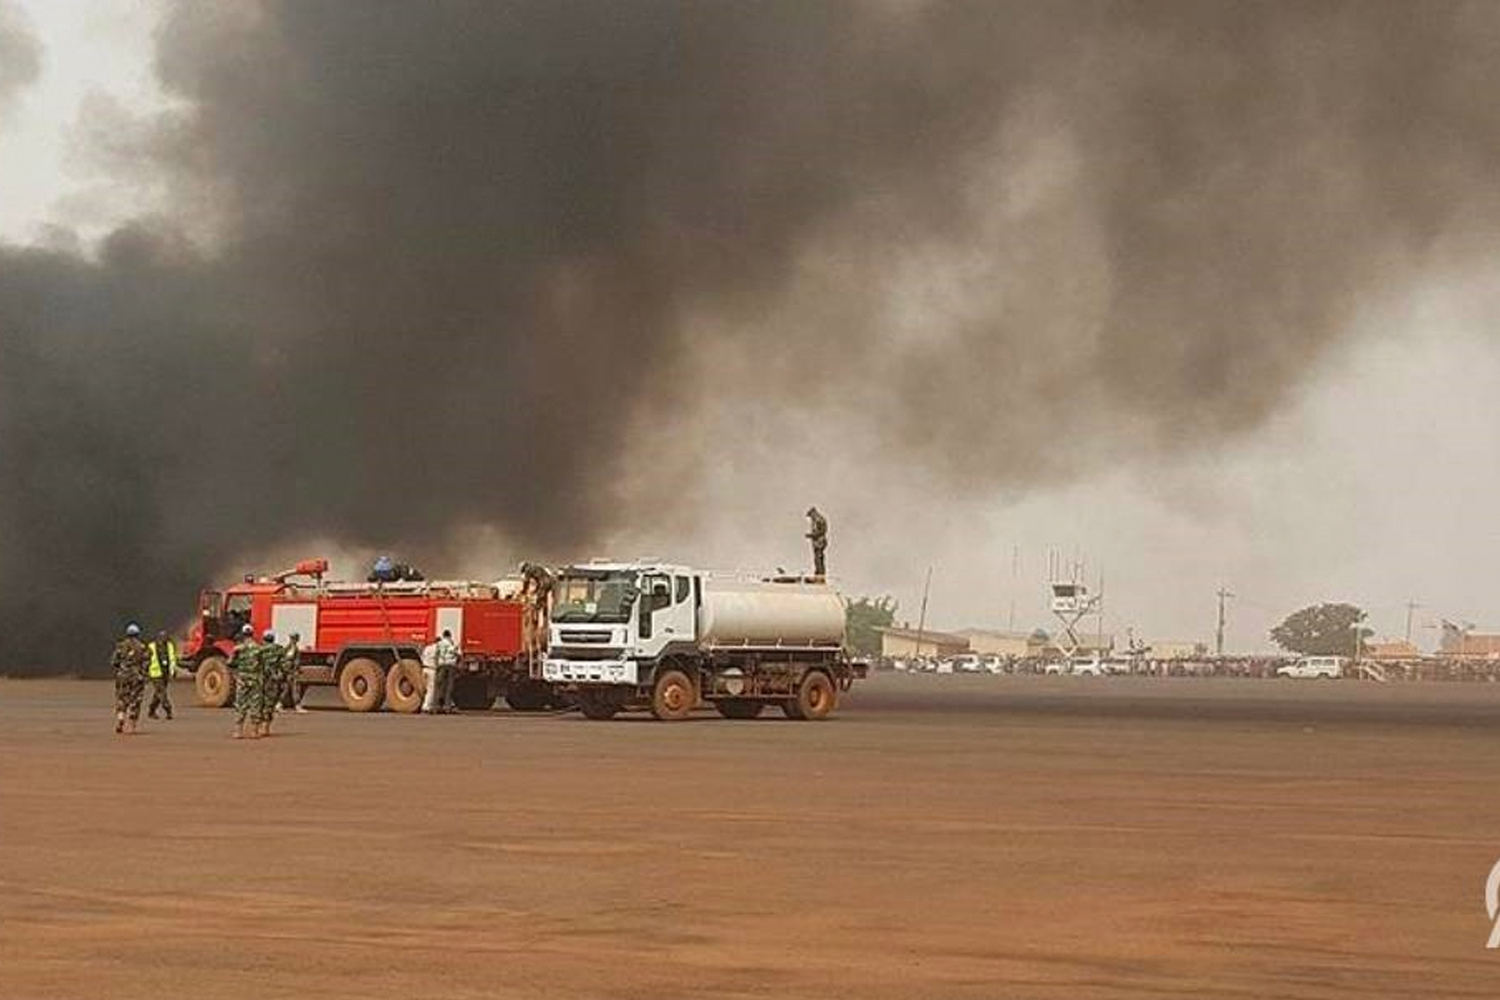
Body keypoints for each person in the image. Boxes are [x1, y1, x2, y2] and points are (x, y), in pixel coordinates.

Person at [111, 623, 149, 735]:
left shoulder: (121, 646)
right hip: (137, 677)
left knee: (121, 698)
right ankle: (132, 726)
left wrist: (121, 669)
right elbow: (146, 663)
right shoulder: (142, 647)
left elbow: (114, 662)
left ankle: (120, 719)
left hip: (123, 676)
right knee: (136, 700)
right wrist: (143, 675)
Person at [229, 624, 262, 739]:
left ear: (243, 635)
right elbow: (263, 664)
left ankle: (238, 731)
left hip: (242, 678)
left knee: (240, 704)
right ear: (252, 634)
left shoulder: (237, 649)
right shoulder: (259, 648)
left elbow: (230, 663)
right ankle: (254, 731)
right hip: (255, 679)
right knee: (255, 704)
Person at [256, 630, 284, 736]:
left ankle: (257, 727)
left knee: (259, 702)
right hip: (273, 680)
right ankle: (266, 727)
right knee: (270, 703)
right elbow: (284, 664)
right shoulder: (279, 649)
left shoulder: (259, 649)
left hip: (260, 678)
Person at [146, 630, 178, 721]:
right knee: (162, 692)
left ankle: (151, 711)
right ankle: (168, 710)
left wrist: (172, 671)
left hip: (165, 673)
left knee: (158, 693)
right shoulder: (151, 647)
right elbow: (146, 660)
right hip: (155, 673)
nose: (163, 640)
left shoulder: (169, 646)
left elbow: (172, 659)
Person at [279, 631, 307, 713]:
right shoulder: (291, 648)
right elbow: (289, 661)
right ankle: (297, 706)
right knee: (294, 689)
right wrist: (291, 671)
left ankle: (279, 705)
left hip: (291, 671)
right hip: (291, 672)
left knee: (287, 688)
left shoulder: (292, 647)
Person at [433, 628, 460, 713]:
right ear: (449, 636)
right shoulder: (451, 643)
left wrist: (436, 664)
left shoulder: (439, 644)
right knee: (449, 687)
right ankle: (447, 707)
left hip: (441, 666)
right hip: (451, 666)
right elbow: (457, 653)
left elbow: (436, 654)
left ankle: (435, 706)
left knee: (439, 686)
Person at [805, 506, 828, 577]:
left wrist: (811, 535)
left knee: (819, 558)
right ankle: (818, 572)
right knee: (817, 558)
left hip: (819, 542)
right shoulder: (816, 520)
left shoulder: (819, 520)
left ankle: (820, 573)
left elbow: (822, 531)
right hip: (817, 542)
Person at [420, 635, 440, 714]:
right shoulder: (437, 649)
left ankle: (426, 705)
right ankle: (426, 707)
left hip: (424, 668)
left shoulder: (427, 648)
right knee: (431, 689)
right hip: (432, 669)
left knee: (425, 688)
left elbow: (422, 657)